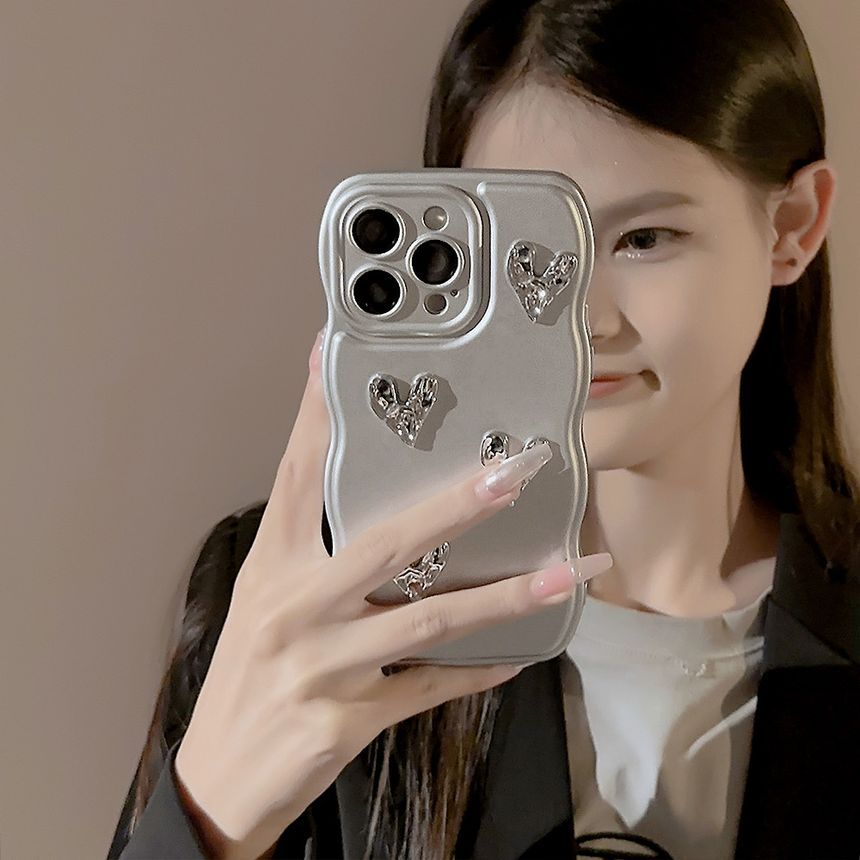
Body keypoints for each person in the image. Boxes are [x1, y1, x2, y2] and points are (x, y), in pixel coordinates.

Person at [107, 1, 860, 858]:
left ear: (792, 227)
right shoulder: (309, 616)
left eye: (645, 237)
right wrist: (207, 814)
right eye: (523, 245)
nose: (581, 317)